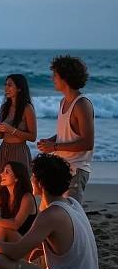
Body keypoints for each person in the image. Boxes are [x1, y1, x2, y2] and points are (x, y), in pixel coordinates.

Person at [37, 55, 94, 203]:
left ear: (65, 78)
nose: (52, 79)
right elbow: (68, 133)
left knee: (70, 214)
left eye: (55, 75)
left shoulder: (82, 104)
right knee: (49, 210)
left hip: (76, 170)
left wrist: (54, 146)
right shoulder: (63, 101)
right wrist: (51, 141)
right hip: (60, 168)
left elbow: (88, 143)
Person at [0, 74, 36, 203]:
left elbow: (32, 136)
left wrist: (12, 130)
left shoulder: (27, 108)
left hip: (19, 151)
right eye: (5, 85)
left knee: (18, 191)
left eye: (10, 85)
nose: (6, 88)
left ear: (19, 88)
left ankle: (19, 220)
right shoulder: (4, 107)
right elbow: (1, 136)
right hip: (4, 150)